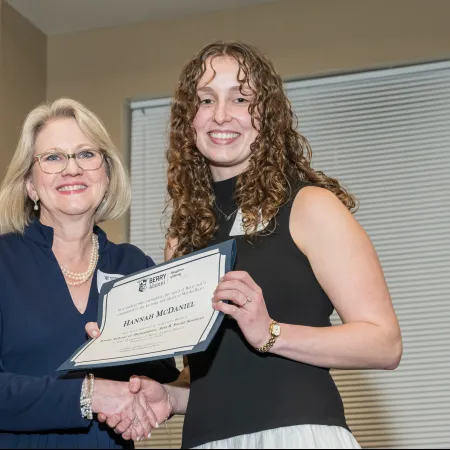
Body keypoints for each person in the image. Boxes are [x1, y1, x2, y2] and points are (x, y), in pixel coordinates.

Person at [88, 41, 403, 449]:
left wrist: (270, 333)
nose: (221, 114)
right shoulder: (182, 238)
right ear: (189, 120)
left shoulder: (309, 206)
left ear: (266, 116)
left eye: (240, 98)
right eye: (205, 100)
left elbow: (384, 343)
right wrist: (167, 396)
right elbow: (216, 376)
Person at [0, 98, 179, 449]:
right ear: (31, 185)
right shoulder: (4, 261)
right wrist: (88, 395)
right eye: (53, 157)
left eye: (86, 154)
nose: (72, 169)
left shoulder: (134, 266)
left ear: (107, 175)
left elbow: (163, 377)